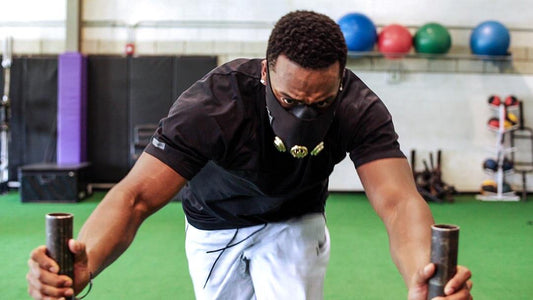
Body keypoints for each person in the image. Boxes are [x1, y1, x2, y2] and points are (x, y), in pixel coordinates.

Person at [27, 10, 472, 300]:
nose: (304, 113)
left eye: (320, 102)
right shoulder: (212, 107)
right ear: (265, 71)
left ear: (341, 80)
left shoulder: (359, 108)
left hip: (295, 220)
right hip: (214, 223)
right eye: (290, 97)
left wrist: (423, 273)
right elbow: (136, 196)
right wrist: (87, 261)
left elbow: (398, 202)